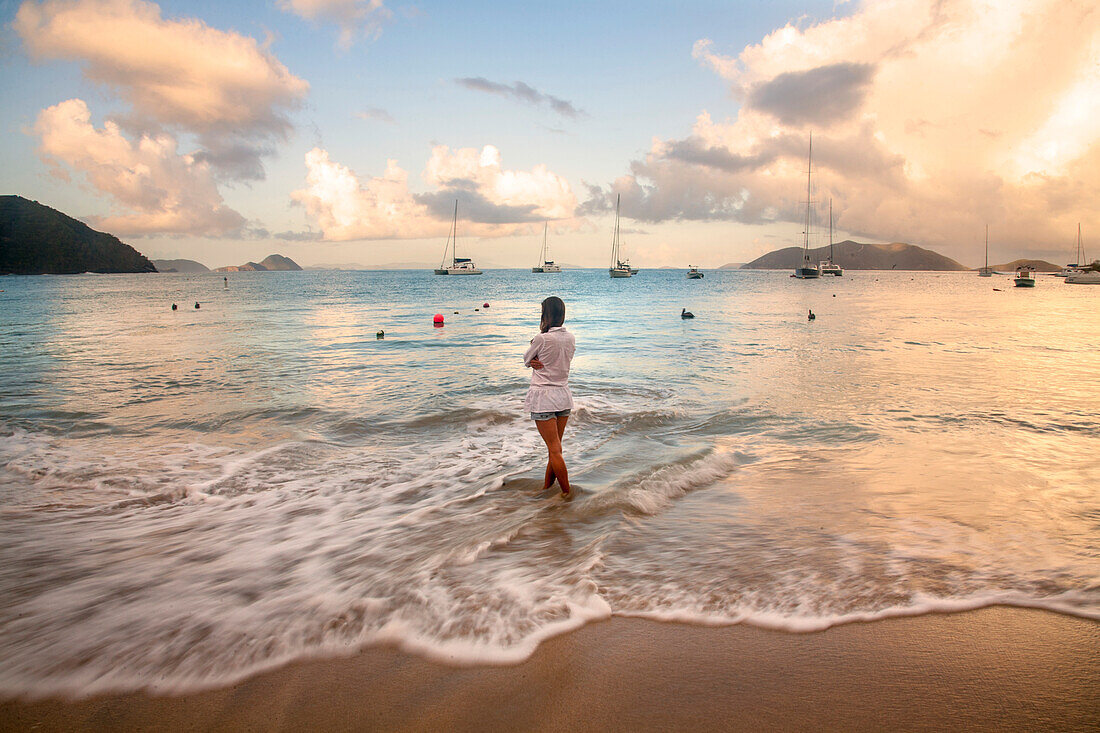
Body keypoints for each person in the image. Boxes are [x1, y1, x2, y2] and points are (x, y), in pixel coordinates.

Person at [523, 296, 576, 498]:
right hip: (562, 395)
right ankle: (547, 489)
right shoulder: (570, 337)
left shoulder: (541, 338)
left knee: (554, 451)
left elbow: (527, 359)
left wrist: (534, 357)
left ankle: (566, 495)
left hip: (544, 397)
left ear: (546, 314)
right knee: (555, 450)